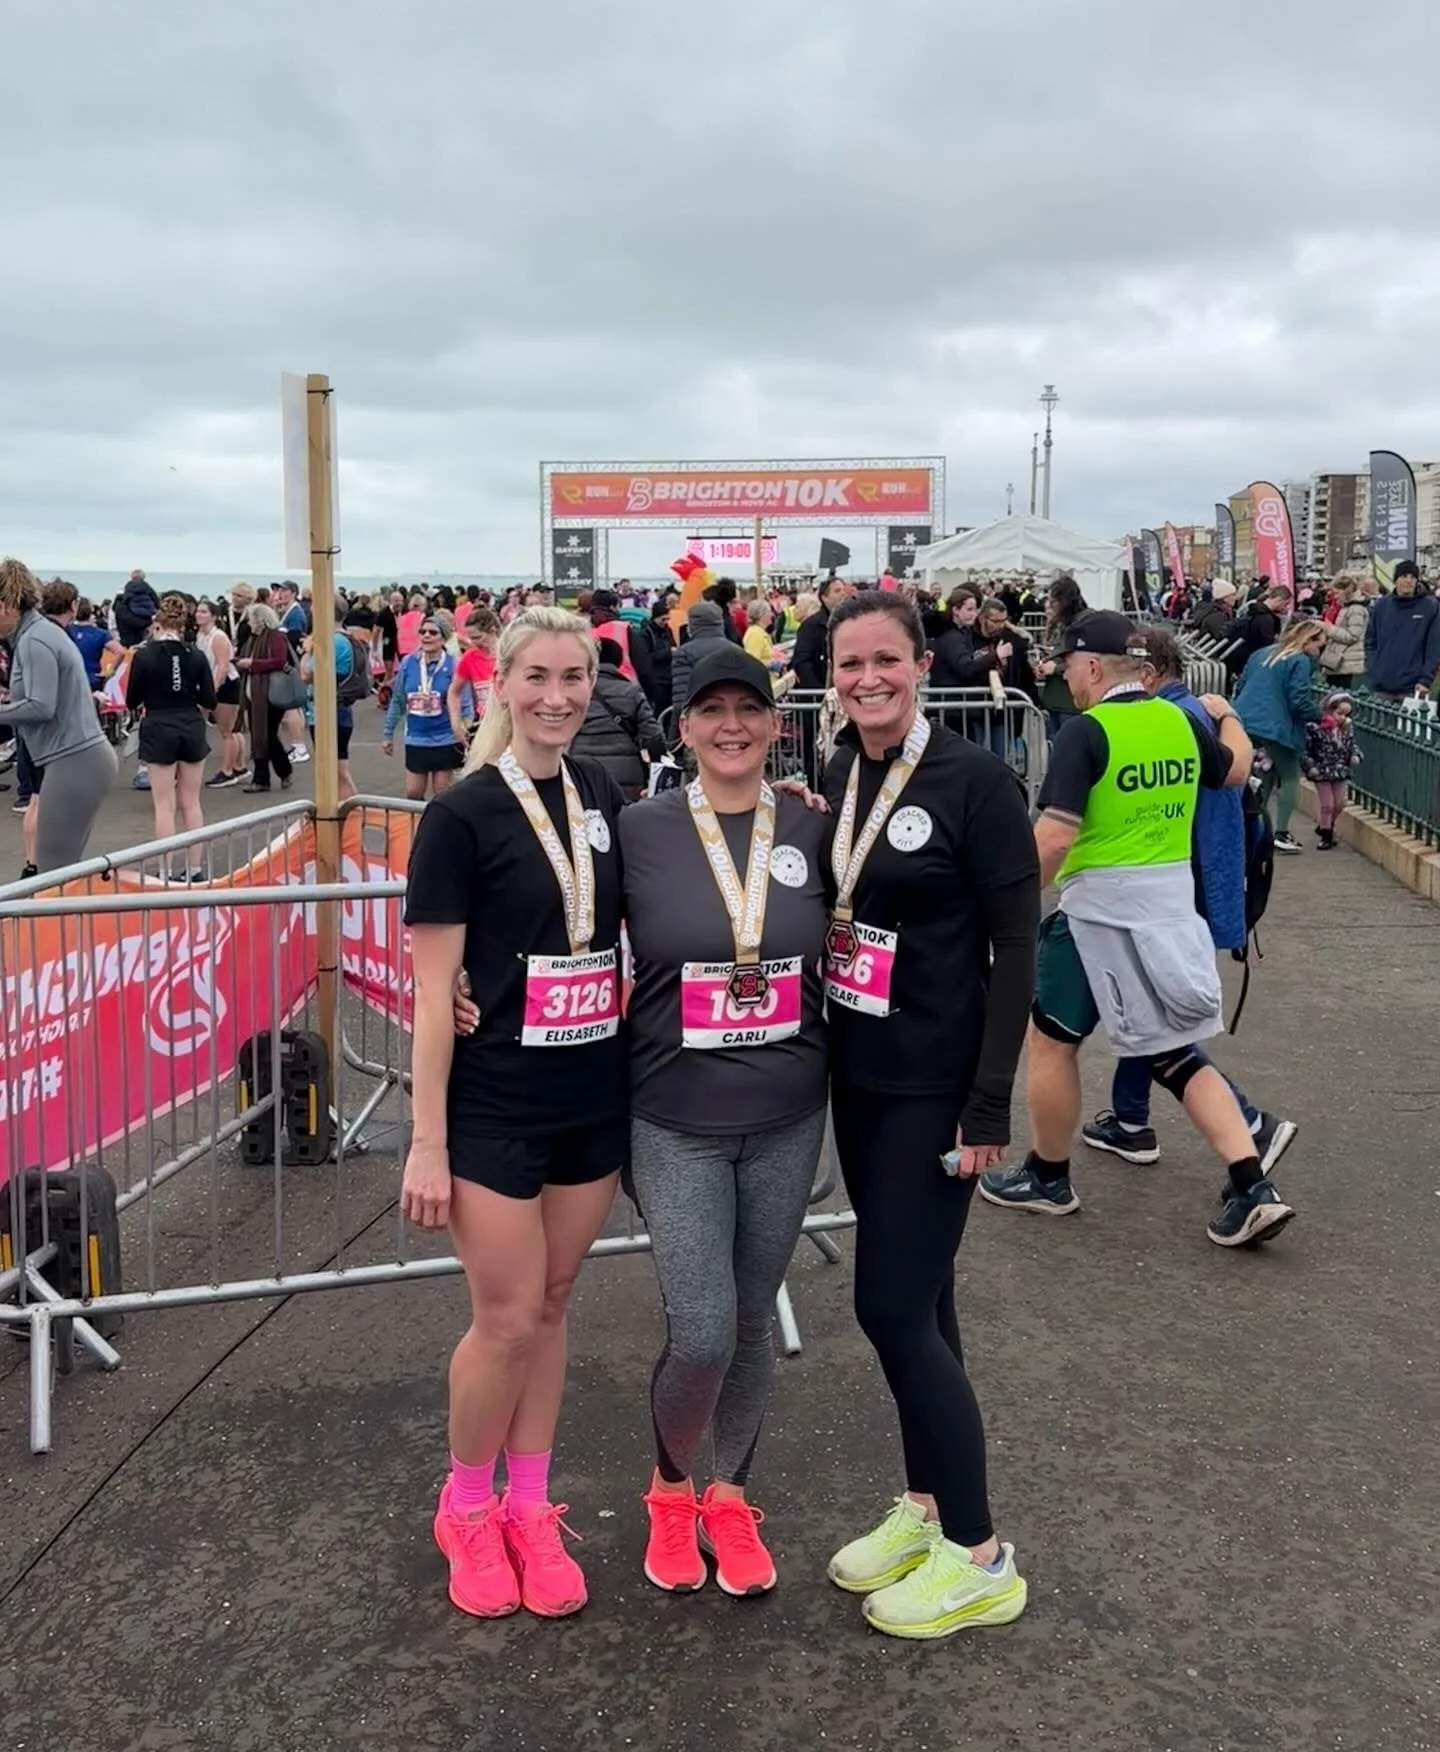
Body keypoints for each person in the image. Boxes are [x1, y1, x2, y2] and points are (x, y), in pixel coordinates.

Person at [818, 590, 1039, 1641]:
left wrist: (990, 1101)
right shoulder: (838, 770)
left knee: (892, 1311)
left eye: (886, 661)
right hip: (859, 1076)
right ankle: (927, 1506)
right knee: (928, 1300)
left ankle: (982, 1556)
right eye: (850, 662)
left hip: (936, 1089)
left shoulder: (976, 781)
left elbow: (1019, 948)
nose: (868, 679)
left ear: (919, 664)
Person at [401, 606, 627, 1621]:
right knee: (501, 1319)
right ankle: (466, 1504)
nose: (556, 697)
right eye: (536, 676)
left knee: (552, 1304)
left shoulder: (605, 795)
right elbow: (429, 990)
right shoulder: (462, 817)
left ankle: (531, 1505)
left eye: (573, 677)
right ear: (503, 686)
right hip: (493, 1103)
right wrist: (426, 1140)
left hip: (590, 1094)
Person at [978, 610, 1296, 1249]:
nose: (1066, 679)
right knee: (1174, 1050)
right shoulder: (1179, 720)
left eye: (1068, 667)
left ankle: (1048, 1175)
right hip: (1171, 913)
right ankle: (1251, 1184)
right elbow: (1233, 771)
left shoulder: (1087, 733)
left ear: (1093, 668)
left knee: (1050, 1041)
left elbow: (1055, 835)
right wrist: (1226, 713)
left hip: (1095, 916)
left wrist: (1001, 908)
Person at [622, 644, 831, 1597]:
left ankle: (730, 1496)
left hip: (789, 1112)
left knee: (750, 1325)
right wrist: (464, 985)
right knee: (702, 1328)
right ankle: (671, 1489)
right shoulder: (640, 829)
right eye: (712, 711)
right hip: (675, 1116)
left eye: (750, 708)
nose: (733, 726)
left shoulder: (815, 826)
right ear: (684, 728)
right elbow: (553, 921)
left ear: (776, 724)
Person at [1078, 626, 1298, 1178]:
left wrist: (1228, 718)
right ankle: (1130, 1120)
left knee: (1154, 1025)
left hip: (1156, 891)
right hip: (1181, 887)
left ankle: (1247, 1125)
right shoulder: (1183, 716)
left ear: (1146, 674)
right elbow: (1236, 774)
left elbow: (1232, 773)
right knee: (1145, 1016)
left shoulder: (1172, 719)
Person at [0, 558, 118, 875]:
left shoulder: (34, 640)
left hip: (75, 760)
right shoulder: (38, 634)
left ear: (4, 606)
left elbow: (41, 706)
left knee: (53, 873)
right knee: (62, 871)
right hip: (77, 758)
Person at [125, 594, 216, 879]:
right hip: (190, 724)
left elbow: (132, 699)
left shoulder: (144, 655)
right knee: (192, 802)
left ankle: (164, 872)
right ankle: (195, 869)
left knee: (164, 805)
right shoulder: (196, 655)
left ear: (157, 621)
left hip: (159, 725)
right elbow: (210, 699)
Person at [1233, 618, 1327, 853]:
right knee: (1289, 776)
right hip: (1275, 726)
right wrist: (1321, 716)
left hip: (1245, 719)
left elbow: (1242, 684)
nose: (1320, 652)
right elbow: (1299, 700)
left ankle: (1255, 828)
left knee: (1263, 775)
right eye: (1320, 646)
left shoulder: (1262, 653)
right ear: (1309, 640)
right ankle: (1281, 832)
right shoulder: (1300, 660)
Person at [569, 637, 666, 800]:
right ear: (619, 661)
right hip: (627, 775)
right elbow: (653, 736)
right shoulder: (631, 692)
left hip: (581, 770)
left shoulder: (576, 691)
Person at [383, 614, 464, 800]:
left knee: (443, 794)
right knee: (413, 793)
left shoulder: (453, 664)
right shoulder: (408, 663)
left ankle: (440, 828)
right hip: (416, 738)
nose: (426, 636)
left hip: (445, 738)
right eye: (423, 632)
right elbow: (398, 700)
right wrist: (388, 733)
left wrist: (463, 732)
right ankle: (417, 826)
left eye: (433, 632)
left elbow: (463, 701)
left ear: (443, 638)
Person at [236, 603, 296, 794]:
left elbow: (279, 661)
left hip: (270, 693)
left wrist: (253, 664)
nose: (249, 623)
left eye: (251, 619)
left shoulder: (276, 636)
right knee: (260, 734)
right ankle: (269, 775)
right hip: (256, 692)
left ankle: (272, 774)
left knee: (266, 734)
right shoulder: (254, 639)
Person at [299, 627, 361, 802]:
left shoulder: (333, 641)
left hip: (329, 711)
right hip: (336, 709)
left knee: (336, 771)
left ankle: (351, 811)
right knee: (338, 769)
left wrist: (306, 651)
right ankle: (348, 810)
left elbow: (306, 674)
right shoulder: (345, 638)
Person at [1364, 561, 1440, 699]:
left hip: (1414, 688)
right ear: (1395, 579)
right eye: (1404, 576)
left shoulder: (1431, 606)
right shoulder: (1382, 605)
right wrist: (1374, 668)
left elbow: (1434, 647)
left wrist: (1426, 679)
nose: (1408, 580)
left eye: (1413, 577)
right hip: (1382, 684)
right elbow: (1370, 640)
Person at [195, 600, 244, 788]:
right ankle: (239, 766)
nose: (199, 615)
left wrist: (212, 689)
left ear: (213, 616)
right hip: (213, 683)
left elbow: (223, 665)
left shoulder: (218, 637)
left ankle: (228, 771)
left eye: (204, 612)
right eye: (198, 611)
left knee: (228, 731)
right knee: (232, 729)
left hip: (226, 685)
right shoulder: (202, 636)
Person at [1303, 690, 1360, 850]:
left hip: (1340, 769)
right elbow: (1306, 749)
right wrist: (1311, 766)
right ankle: (1326, 835)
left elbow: (1352, 745)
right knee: (1327, 804)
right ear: (1330, 709)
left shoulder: (1346, 729)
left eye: (1346, 714)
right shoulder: (1315, 728)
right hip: (1322, 769)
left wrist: (1355, 755)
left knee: (1340, 803)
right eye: (1339, 712)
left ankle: (1325, 826)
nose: (1341, 717)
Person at [447, 606, 501, 744]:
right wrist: (456, 723)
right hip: (485, 721)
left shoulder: (510, 653)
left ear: (492, 631)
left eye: (477, 637)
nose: (473, 642)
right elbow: (454, 692)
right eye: (471, 638)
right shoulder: (470, 657)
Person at [271, 582, 312, 763]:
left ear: (294, 593)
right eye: (280, 590)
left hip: (291, 663)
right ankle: (298, 745)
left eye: (285, 591)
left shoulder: (295, 614)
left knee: (292, 706)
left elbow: (293, 640)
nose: (281, 594)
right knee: (294, 706)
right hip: (291, 663)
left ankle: (299, 747)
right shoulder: (287, 610)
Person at [789, 575, 851, 691]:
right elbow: (801, 662)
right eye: (837, 591)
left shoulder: (851, 623)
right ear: (824, 597)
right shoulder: (810, 626)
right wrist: (819, 692)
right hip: (819, 693)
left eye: (843, 590)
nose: (843, 594)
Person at [669, 600, 731, 714]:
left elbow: (681, 698)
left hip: (701, 716)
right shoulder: (735, 650)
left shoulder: (684, 653)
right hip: (730, 715)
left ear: (693, 624)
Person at [1320, 577, 1369, 686]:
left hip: (1346, 663)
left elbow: (1353, 636)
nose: (1335, 597)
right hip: (1340, 662)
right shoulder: (1347, 608)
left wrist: (1328, 629)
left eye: (1337, 593)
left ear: (1346, 592)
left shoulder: (1356, 609)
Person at [68, 598, 113, 690]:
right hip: (92, 680)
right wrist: (109, 672)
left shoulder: (66, 630)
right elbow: (120, 651)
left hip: (71, 679)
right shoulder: (100, 634)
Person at [112, 568, 159, 648]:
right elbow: (157, 604)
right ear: (143, 578)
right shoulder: (149, 591)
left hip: (127, 638)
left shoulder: (122, 599)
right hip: (146, 637)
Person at [741, 599, 776, 663]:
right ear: (761, 614)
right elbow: (753, 662)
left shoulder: (759, 632)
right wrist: (773, 664)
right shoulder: (755, 634)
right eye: (769, 611)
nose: (772, 614)